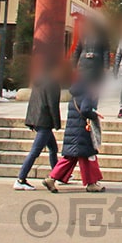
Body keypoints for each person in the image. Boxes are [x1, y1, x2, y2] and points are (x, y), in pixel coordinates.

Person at [47, 75, 105, 192]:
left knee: (72, 157)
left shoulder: (76, 94)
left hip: (74, 131)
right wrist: (94, 115)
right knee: (87, 156)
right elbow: (85, 110)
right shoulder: (87, 93)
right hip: (82, 132)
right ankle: (91, 183)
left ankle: (52, 178)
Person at [14, 62, 65, 191]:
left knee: (53, 148)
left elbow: (33, 102)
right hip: (45, 121)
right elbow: (53, 105)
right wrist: (57, 123)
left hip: (37, 119)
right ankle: (21, 178)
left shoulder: (39, 81)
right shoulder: (52, 84)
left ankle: (56, 175)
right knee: (35, 151)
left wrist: (30, 121)